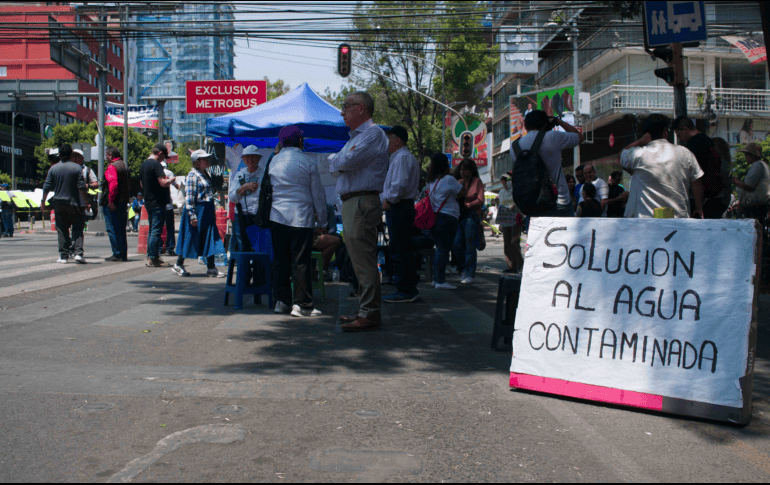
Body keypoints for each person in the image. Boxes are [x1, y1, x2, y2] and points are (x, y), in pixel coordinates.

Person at [329, 91, 390, 332]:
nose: (342, 112)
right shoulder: (357, 137)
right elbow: (338, 162)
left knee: (364, 260)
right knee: (359, 259)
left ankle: (370, 313)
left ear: (361, 109)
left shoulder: (373, 134)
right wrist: (340, 160)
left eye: (346, 107)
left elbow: (342, 163)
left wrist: (340, 160)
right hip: (354, 201)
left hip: (361, 201)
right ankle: (366, 309)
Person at [268, 126, 327, 317]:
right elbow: (317, 194)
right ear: (300, 142)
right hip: (300, 217)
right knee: (300, 261)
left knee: (280, 261)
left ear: (282, 142)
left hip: (277, 217)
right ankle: (302, 305)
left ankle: (282, 302)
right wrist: (323, 221)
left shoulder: (273, 161)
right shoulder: (307, 161)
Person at [620, 114, 705, 219]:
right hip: (678, 220)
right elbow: (696, 181)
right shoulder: (685, 153)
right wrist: (699, 208)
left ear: (646, 134)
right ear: (665, 131)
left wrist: (641, 141)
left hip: (646, 222)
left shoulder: (639, 155)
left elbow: (623, 154)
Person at [510, 110, 584, 218]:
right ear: (545, 124)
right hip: (558, 200)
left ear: (525, 126)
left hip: (530, 203)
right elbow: (579, 137)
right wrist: (557, 121)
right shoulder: (552, 137)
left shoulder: (514, 146)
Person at [380, 125, 420, 302]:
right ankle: (408, 287)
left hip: (399, 207)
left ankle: (405, 289)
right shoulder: (402, 157)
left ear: (397, 140)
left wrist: (388, 201)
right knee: (403, 247)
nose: (387, 143)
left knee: (399, 249)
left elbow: (399, 185)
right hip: (403, 206)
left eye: (389, 139)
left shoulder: (401, 158)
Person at [172, 150, 227, 277]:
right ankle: (178, 264)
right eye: (204, 159)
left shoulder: (205, 174)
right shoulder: (192, 175)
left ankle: (211, 267)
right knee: (191, 236)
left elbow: (210, 191)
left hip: (207, 209)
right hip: (198, 210)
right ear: (197, 162)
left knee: (209, 237)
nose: (207, 161)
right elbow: (189, 197)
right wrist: (192, 215)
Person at [41, 144, 89, 263]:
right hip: (74, 203)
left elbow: (46, 186)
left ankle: (63, 255)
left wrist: (43, 201)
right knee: (77, 228)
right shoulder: (77, 168)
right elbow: (81, 187)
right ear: (71, 154)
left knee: (62, 229)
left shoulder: (53, 169)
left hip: (59, 203)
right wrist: (87, 202)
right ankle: (78, 253)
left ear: (60, 154)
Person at [427, 153, 462, 289]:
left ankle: (437, 279)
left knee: (439, 249)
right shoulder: (449, 179)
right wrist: (462, 183)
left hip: (436, 217)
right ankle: (441, 280)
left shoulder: (431, 181)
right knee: (444, 249)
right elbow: (461, 192)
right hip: (448, 217)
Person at [140, 143, 176, 267]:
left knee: (152, 230)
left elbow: (141, 184)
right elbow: (162, 182)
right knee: (156, 230)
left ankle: (151, 255)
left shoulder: (144, 164)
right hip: (158, 201)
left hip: (148, 201)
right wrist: (171, 180)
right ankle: (153, 258)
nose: (164, 159)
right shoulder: (156, 164)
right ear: (160, 153)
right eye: (164, 156)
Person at [452, 158, 485, 285]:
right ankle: (462, 266)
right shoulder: (458, 182)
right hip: (460, 216)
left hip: (471, 216)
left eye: (465, 169)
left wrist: (469, 204)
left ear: (471, 170)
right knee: (456, 243)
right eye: (461, 169)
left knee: (470, 244)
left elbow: (481, 199)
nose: (463, 172)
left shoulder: (477, 181)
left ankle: (469, 272)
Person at [228, 145, 263, 253]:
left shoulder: (264, 174)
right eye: (247, 157)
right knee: (242, 245)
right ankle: (244, 269)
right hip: (241, 216)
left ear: (259, 158)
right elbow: (232, 197)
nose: (250, 160)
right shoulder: (239, 175)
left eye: (253, 157)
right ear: (243, 159)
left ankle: (258, 270)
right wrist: (242, 189)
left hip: (258, 215)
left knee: (258, 246)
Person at [102, 146, 130, 262]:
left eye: (106, 155)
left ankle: (117, 253)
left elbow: (113, 184)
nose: (106, 157)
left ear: (110, 155)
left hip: (114, 203)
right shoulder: (124, 165)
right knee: (121, 228)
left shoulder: (112, 167)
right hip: (123, 202)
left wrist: (111, 201)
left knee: (112, 228)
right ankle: (122, 253)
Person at [733, 142, 770, 226]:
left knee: (755, 231)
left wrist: (735, 182)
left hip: (755, 207)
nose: (745, 157)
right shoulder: (762, 165)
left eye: (746, 155)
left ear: (752, 156)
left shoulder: (757, 165)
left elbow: (749, 187)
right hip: (760, 205)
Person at [498, 173, 524, 273]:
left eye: (506, 179)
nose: (504, 182)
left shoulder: (516, 190)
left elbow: (520, 203)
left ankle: (520, 265)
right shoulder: (501, 192)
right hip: (505, 220)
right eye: (502, 179)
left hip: (515, 220)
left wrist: (515, 206)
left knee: (515, 242)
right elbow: (501, 206)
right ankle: (511, 266)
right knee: (507, 244)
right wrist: (500, 222)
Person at [160, 161, 180, 256]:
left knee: (158, 227)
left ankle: (159, 248)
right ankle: (170, 248)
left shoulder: (155, 172)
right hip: (168, 204)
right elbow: (177, 186)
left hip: (158, 204)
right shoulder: (169, 173)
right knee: (170, 227)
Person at [71, 149, 99, 218]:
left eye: (78, 156)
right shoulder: (67, 169)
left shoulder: (87, 170)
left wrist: (86, 186)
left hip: (82, 203)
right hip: (70, 202)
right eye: (74, 156)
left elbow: (96, 184)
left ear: (82, 158)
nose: (75, 158)